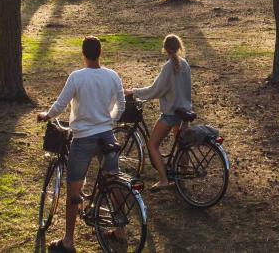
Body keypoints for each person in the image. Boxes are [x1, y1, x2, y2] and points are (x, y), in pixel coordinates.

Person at [38, 36, 126, 253]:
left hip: (83, 137)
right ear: (101, 52)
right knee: (112, 181)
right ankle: (121, 231)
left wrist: (46, 115)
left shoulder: (77, 77)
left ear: (83, 54)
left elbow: (61, 104)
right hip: (107, 135)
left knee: (74, 190)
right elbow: (121, 104)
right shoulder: (112, 75)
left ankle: (68, 241)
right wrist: (111, 120)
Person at [125, 34, 192, 192]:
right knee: (182, 146)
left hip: (171, 114)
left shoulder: (169, 67)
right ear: (179, 47)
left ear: (165, 49)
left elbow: (154, 90)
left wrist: (133, 92)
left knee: (152, 145)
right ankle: (181, 180)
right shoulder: (185, 64)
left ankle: (163, 180)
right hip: (185, 112)